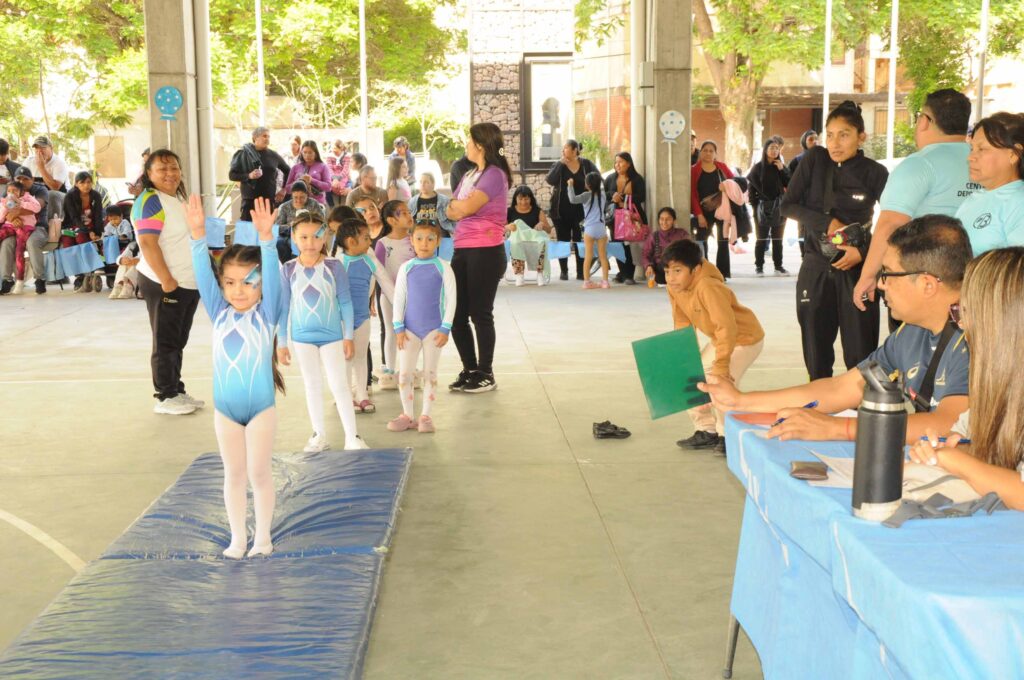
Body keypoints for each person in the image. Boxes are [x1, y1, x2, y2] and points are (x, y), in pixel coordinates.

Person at [700, 215, 971, 446]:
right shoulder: (911, 332)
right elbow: (842, 388)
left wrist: (838, 428)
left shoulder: (976, 339)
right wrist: (740, 401)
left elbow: (947, 424)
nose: (880, 284)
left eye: (887, 274)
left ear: (927, 284)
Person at [187, 195, 283, 559]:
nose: (237, 290)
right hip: (225, 411)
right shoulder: (219, 311)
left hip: (260, 409)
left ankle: (263, 538)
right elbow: (203, 275)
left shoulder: (267, 313)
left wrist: (267, 240)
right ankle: (238, 538)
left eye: (247, 282)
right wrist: (198, 236)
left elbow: (272, 277)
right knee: (233, 474)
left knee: (259, 473)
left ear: (260, 284)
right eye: (229, 283)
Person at [909, 247, 1024, 510]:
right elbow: (963, 437)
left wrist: (955, 461)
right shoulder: (1000, 384)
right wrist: (946, 449)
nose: (961, 325)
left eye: (966, 312)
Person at [781, 101, 888, 379]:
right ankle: (820, 405)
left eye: (844, 134)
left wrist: (864, 252)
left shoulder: (875, 172)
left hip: (858, 272)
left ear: (861, 137)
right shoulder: (814, 160)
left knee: (861, 358)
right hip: (815, 268)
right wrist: (828, 223)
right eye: (829, 135)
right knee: (816, 358)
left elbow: (893, 224)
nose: (835, 143)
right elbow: (787, 206)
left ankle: (859, 406)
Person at [855, 89, 975, 311]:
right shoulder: (982, 159)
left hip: (928, 283)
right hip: (979, 278)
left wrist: (868, 275)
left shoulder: (919, 164)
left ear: (924, 121)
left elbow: (891, 223)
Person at [278, 211, 367, 453]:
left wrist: (348, 336)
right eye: (304, 237)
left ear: (325, 236)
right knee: (312, 385)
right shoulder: (288, 269)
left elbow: (345, 303)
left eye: (316, 236)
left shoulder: (334, 266)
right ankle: (319, 434)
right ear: (294, 238)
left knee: (339, 385)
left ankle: (352, 437)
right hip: (302, 338)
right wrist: (282, 342)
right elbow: (283, 307)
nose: (310, 242)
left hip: (332, 337)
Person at [665, 240, 764, 454]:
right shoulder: (675, 287)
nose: (671, 278)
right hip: (720, 338)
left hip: (744, 339)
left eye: (678, 271)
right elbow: (682, 322)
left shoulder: (708, 286)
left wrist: (721, 366)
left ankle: (727, 436)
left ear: (695, 269)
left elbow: (726, 327)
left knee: (720, 384)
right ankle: (706, 430)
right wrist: (684, 356)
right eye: (667, 271)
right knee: (691, 377)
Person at [133, 149, 203, 416]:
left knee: (177, 340)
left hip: (187, 282)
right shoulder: (150, 200)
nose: (170, 173)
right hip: (165, 282)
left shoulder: (177, 199)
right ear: (149, 174)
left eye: (174, 168)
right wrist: (167, 279)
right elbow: (147, 243)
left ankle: (176, 389)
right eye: (162, 169)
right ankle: (165, 395)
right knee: (165, 341)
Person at [446, 122, 511, 393]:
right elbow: (450, 209)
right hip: (462, 249)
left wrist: (461, 207)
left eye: (469, 140)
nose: (466, 145)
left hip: (486, 250)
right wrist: (460, 207)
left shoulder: (494, 174)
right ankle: (470, 369)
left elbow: (463, 209)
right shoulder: (470, 174)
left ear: (481, 145)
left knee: (480, 313)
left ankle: (486, 372)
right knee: (456, 314)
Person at [387, 221, 457, 433]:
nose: (424, 243)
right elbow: (399, 298)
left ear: (438, 241)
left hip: (434, 330)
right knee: (405, 374)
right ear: (412, 241)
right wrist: (398, 327)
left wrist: (445, 328)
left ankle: (425, 416)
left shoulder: (444, 267)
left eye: (430, 239)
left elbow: (452, 299)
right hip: (409, 330)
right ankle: (408, 415)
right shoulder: (406, 268)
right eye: (419, 238)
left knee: (430, 373)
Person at [337, 216, 395, 414]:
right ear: (351, 242)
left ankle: (362, 395)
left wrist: (402, 310)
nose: (370, 241)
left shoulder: (370, 261)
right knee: (345, 358)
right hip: (341, 320)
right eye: (366, 238)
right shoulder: (337, 263)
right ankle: (346, 396)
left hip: (362, 318)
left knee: (360, 357)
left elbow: (387, 285)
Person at [953, 112, 1024, 255]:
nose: (970, 157)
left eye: (982, 149)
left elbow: (1017, 266)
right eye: (972, 148)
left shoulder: (1019, 203)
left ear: (1013, 155)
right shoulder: (974, 199)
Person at [375, 200, 417, 389]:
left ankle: (409, 369)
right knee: (391, 332)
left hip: (413, 297)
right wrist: (379, 298)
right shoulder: (383, 244)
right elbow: (378, 273)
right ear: (391, 220)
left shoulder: (415, 240)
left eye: (409, 212)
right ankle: (390, 372)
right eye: (403, 213)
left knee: (412, 333)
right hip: (389, 297)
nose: (409, 216)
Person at [546, 140, 598, 280]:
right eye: (563, 148)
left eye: (566, 148)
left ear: (575, 150)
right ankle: (564, 271)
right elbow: (550, 180)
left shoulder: (586, 164)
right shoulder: (559, 164)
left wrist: (592, 189)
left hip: (582, 212)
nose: (563, 150)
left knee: (580, 241)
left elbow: (597, 179)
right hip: (560, 211)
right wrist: (560, 164)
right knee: (562, 241)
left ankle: (581, 271)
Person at [0, 167, 49, 295]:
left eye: (25, 179)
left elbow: (36, 208)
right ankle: (6, 280)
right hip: (14, 226)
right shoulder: (11, 189)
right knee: (6, 244)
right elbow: (3, 209)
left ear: (32, 179)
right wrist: (12, 217)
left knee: (32, 243)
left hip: (37, 227)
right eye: (18, 179)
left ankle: (40, 279)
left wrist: (15, 213)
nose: (21, 181)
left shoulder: (40, 189)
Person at [690, 141, 735, 278]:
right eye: (705, 150)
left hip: (722, 210)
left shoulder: (722, 167)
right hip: (704, 212)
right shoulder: (694, 170)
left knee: (723, 242)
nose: (708, 153)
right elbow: (693, 194)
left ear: (715, 153)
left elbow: (735, 183)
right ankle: (705, 272)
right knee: (702, 241)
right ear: (700, 152)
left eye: (711, 151)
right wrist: (699, 215)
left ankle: (722, 274)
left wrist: (726, 186)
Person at [747, 137, 791, 276]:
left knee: (778, 239)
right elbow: (751, 189)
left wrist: (782, 169)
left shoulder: (780, 166)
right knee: (761, 239)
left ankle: (778, 266)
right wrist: (755, 207)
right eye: (771, 148)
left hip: (779, 207)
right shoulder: (758, 167)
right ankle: (759, 266)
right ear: (765, 150)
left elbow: (789, 183)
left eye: (777, 148)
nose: (774, 150)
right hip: (762, 207)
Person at [229, 127, 291, 221]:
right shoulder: (243, 154)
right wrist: (249, 176)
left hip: (268, 200)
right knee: (248, 228)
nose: (267, 139)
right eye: (264, 136)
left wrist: (283, 190)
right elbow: (232, 175)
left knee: (267, 228)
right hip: (249, 201)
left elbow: (288, 171)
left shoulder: (273, 155)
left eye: (268, 136)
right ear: (255, 138)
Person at [604, 152, 648, 284]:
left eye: (621, 162)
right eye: (616, 162)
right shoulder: (610, 178)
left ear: (628, 164)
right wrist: (613, 195)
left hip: (632, 218)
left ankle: (629, 275)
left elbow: (641, 197)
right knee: (617, 245)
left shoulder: (637, 179)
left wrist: (624, 197)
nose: (617, 165)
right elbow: (604, 194)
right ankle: (622, 273)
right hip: (615, 218)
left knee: (631, 246)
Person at [62, 171, 106, 292]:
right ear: (76, 184)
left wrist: (97, 232)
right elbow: (73, 217)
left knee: (81, 239)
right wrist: (88, 231)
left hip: (91, 227)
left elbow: (98, 216)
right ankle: (79, 276)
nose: (86, 185)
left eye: (89, 182)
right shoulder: (70, 196)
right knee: (68, 245)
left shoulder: (96, 195)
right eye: (82, 183)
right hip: (72, 226)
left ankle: (91, 268)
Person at [568, 171, 611, 289]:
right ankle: (605, 282)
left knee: (588, 256)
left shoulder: (585, 195)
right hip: (601, 229)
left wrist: (570, 185)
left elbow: (572, 199)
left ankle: (587, 282)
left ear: (587, 184)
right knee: (603, 257)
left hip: (590, 229)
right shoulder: (603, 195)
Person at [506, 185, 553, 286]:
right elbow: (501, 228)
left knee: (543, 242)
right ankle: (519, 275)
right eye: (520, 199)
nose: (523, 202)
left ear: (531, 199)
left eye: (526, 199)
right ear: (515, 199)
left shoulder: (537, 211)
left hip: (534, 241)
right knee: (515, 242)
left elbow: (549, 230)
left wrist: (542, 224)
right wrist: (508, 227)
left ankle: (540, 273)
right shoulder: (509, 211)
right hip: (518, 240)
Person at [273, 181, 325, 263]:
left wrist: (314, 233)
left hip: (310, 235)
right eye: (295, 197)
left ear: (307, 195)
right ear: (292, 196)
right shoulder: (285, 207)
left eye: (302, 197)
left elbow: (323, 224)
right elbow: (277, 227)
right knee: (280, 242)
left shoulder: (313, 204)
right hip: (289, 235)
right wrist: (291, 225)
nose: (298, 200)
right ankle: (287, 265)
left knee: (301, 244)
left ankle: (304, 263)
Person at [641, 207, 690, 286]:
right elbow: (645, 254)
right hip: (661, 272)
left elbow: (689, 251)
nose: (664, 222)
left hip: (678, 269)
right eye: (662, 219)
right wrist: (648, 266)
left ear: (674, 221)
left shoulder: (682, 234)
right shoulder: (654, 236)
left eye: (668, 219)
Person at [25, 136, 69, 223]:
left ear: (51, 148)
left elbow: (55, 187)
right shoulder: (29, 161)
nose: (39, 151)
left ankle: (52, 224)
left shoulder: (59, 163)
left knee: (51, 194)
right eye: (37, 148)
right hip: (38, 196)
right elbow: (21, 182)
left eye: (43, 148)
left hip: (60, 197)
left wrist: (41, 167)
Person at [285, 140, 331, 206]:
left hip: (317, 204)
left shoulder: (323, 166)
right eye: (304, 152)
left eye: (310, 152)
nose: (307, 155)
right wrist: (299, 181)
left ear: (316, 153)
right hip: (298, 204)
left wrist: (312, 180)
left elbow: (328, 187)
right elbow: (287, 189)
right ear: (301, 153)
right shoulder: (295, 167)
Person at [325, 140, 351, 205]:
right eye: (332, 148)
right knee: (327, 187)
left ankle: (347, 205)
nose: (333, 150)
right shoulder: (329, 156)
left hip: (343, 176)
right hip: (332, 176)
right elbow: (329, 168)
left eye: (335, 148)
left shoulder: (347, 157)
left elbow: (346, 169)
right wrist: (334, 178)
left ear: (341, 148)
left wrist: (338, 178)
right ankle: (331, 205)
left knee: (348, 186)